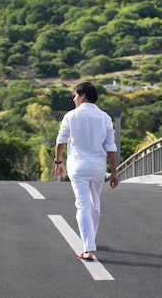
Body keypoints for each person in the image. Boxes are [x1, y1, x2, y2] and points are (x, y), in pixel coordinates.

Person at [54, 81, 119, 261]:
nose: (73, 99)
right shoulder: (105, 117)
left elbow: (61, 141)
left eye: (75, 95)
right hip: (98, 167)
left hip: (78, 166)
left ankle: (88, 246)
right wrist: (114, 172)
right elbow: (111, 147)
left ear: (83, 95)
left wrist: (58, 161)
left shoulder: (71, 116)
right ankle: (90, 239)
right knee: (94, 203)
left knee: (82, 204)